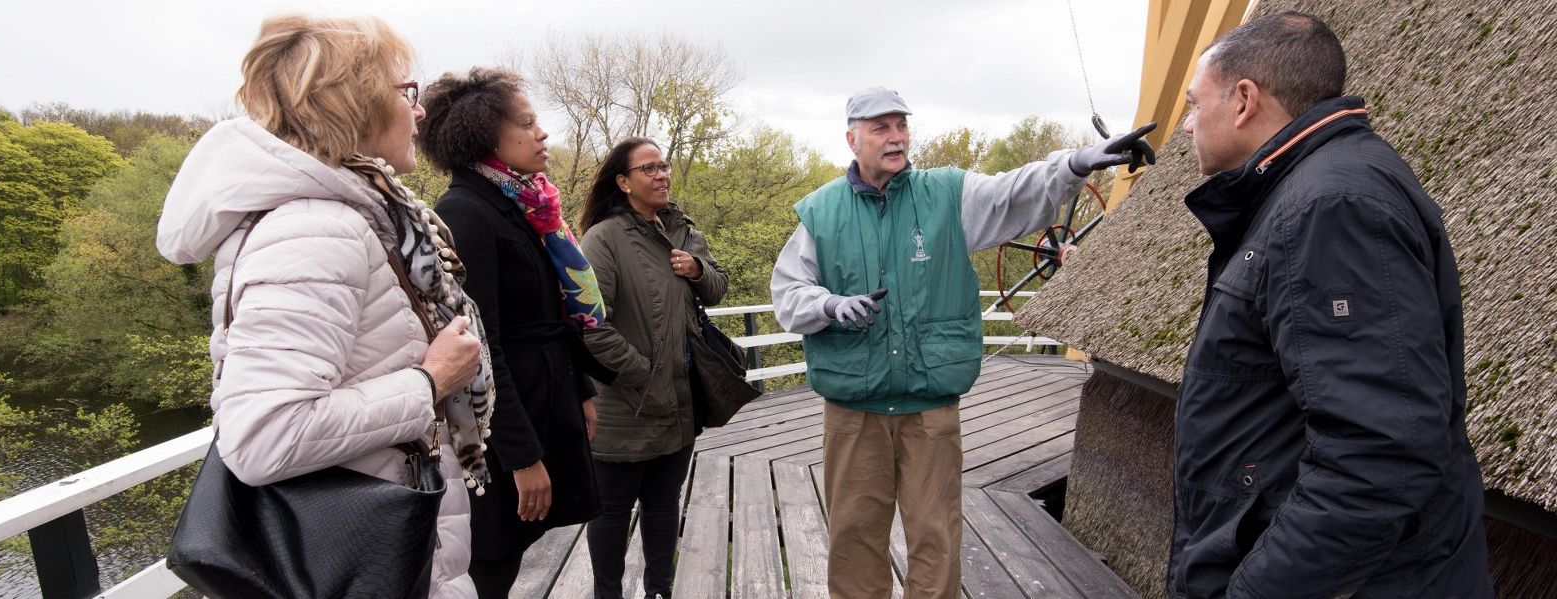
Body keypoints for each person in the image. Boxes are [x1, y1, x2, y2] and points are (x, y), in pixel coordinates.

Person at [770, 87, 1156, 597]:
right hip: (854, 413)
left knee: (937, 537)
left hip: (930, 410)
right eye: (880, 128)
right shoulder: (820, 212)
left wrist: (1076, 163)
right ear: (852, 139)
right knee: (853, 537)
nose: (895, 137)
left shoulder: (947, 194)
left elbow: (1013, 192)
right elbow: (787, 293)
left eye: (901, 125)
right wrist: (829, 306)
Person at [155, 15, 490, 598]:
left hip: (377, 547)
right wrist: (431, 380)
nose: (418, 113)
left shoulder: (358, 217)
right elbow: (265, 436)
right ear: (356, 102)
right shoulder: (316, 227)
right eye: (405, 92)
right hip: (357, 556)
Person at [1172, 10, 1492, 598]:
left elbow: (1378, 455)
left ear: (1243, 100)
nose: (1189, 125)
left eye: (1195, 104)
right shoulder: (1314, 192)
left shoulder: (1330, 207)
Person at [416, 67, 610, 598]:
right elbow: (482, 345)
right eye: (527, 123)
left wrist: (582, 392)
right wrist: (520, 457)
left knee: (515, 553)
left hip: (545, 395)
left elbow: (550, 314)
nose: (542, 133)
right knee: (491, 561)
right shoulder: (465, 211)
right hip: (505, 423)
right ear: (485, 137)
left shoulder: (522, 205)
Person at [576, 137, 744, 599]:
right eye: (648, 168)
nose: (661, 175)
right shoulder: (603, 238)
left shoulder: (683, 231)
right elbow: (591, 327)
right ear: (624, 181)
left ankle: (658, 591)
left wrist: (697, 270)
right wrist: (645, 375)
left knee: (663, 506)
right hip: (623, 408)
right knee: (611, 514)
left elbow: (718, 287)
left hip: (679, 401)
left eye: (663, 165)